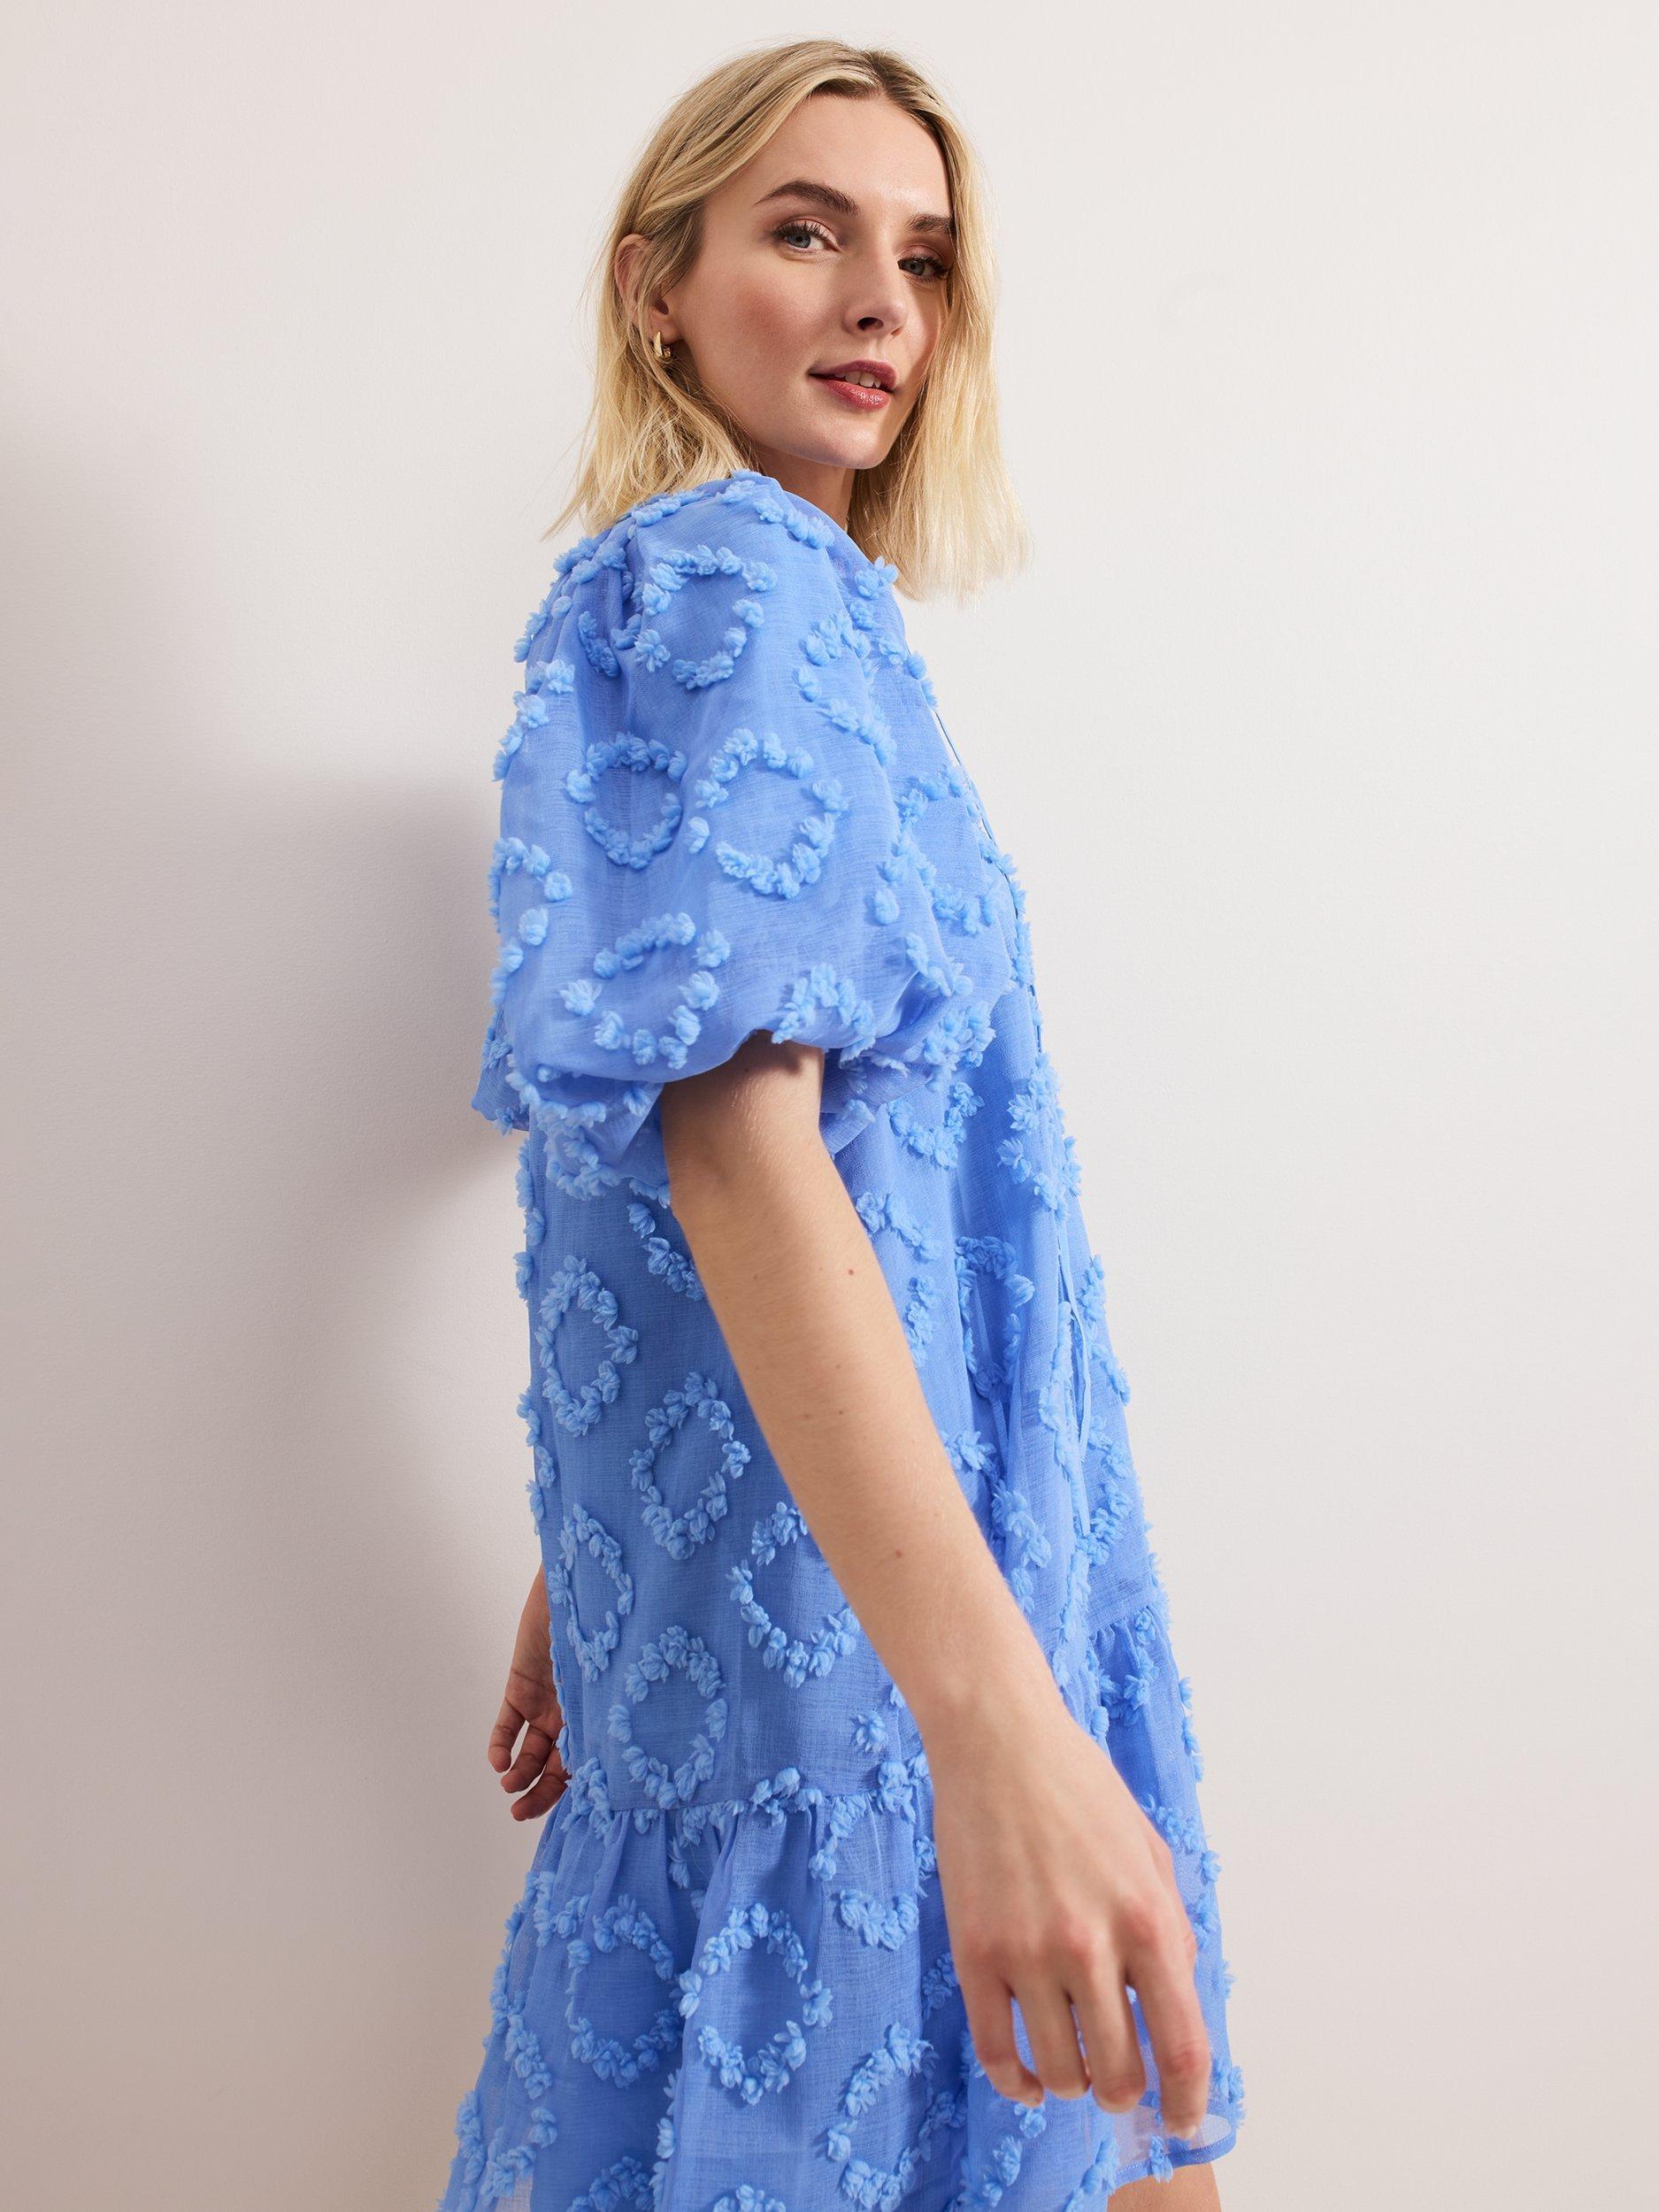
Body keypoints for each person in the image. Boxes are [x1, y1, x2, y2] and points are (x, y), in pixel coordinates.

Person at [439, 39, 1246, 2212]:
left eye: (924, 255)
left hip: (854, 1603)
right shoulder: (732, 579)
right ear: (655, 291)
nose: (882, 298)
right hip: (893, 1680)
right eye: (803, 231)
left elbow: (746, 1134)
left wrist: (609, 1532)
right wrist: (994, 1727)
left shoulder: (790, 617)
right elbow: (734, 1135)